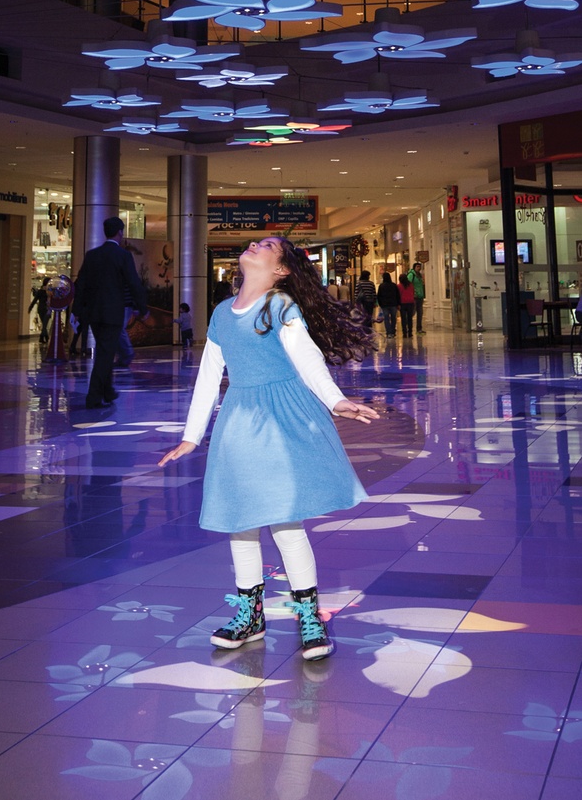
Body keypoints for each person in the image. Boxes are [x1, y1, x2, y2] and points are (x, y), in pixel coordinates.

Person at [159, 235, 379, 662]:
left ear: (281, 270)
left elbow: (308, 359)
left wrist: (336, 400)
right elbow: (209, 377)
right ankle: (250, 614)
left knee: (284, 520)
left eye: (267, 245)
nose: (256, 245)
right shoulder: (222, 313)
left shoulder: (280, 306)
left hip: (282, 419)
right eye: (256, 242)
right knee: (240, 519)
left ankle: (309, 614)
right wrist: (192, 435)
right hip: (239, 420)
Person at [72, 216, 148, 410]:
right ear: (120, 233)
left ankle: (108, 391)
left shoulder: (92, 255)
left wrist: (77, 310)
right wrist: (143, 308)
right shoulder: (123, 256)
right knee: (105, 355)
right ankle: (94, 397)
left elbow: (81, 284)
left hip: (94, 314)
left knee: (105, 351)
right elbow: (133, 283)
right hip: (113, 313)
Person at [376, 270, 400, 336]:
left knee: (386, 318)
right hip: (393, 304)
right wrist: (398, 303)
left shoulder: (381, 286)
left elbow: (379, 296)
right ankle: (393, 331)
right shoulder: (394, 285)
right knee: (393, 318)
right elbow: (397, 295)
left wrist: (380, 304)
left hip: (384, 305)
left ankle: (388, 332)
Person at [398, 270, 416, 339]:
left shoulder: (399, 286)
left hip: (402, 303)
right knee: (409, 318)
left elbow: (398, 295)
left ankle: (404, 332)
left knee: (403, 319)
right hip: (410, 302)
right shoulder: (411, 285)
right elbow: (413, 292)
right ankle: (410, 332)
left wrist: (398, 304)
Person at [408, 264, 426, 332]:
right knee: (412, 312)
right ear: (414, 267)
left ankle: (419, 328)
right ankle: (408, 326)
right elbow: (408, 285)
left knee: (420, 313)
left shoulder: (420, 276)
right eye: (417, 267)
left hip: (420, 296)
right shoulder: (411, 275)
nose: (419, 268)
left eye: (420, 267)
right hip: (414, 297)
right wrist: (413, 293)